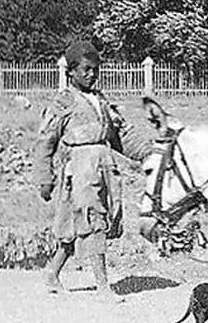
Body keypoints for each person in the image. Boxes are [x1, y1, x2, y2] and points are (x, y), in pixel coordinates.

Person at [32, 40, 147, 299]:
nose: (91, 74)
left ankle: (52, 273)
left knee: (80, 225)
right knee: (92, 220)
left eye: (95, 69)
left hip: (104, 167)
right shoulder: (63, 102)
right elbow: (45, 141)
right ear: (70, 72)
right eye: (85, 69)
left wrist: (147, 153)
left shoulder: (101, 100)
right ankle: (103, 286)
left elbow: (120, 135)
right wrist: (44, 178)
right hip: (80, 170)